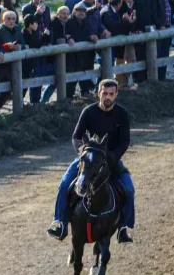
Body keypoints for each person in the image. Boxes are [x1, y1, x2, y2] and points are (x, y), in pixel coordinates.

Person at [47, 79, 135, 244]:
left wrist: (113, 157)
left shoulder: (122, 114)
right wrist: (82, 150)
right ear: (98, 93)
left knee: (129, 189)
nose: (107, 97)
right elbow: (76, 136)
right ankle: (59, 222)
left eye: (111, 94)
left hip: (110, 160)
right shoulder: (88, 111)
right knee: (64, 183)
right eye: (104, 93)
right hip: (87, 159)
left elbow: (124, 141)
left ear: (116, 94)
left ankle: (124, 228)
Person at [65, 4, 97, 99]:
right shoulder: (69, 22)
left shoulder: (87, 21)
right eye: (79, 11)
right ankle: (68, 97)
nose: (82, 13)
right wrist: (69, 38)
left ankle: (85, 92)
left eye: (83, 11)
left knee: (85, 72)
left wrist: (92, 37)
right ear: (74, 11)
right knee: (72, 76)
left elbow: (89, 33)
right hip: (72, 55)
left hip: (85, 54)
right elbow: (65, 34)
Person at [149, 0, 173, 80]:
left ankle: (162, 76)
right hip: (159, 28)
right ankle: (157, 78)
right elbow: (153, 12)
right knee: (158, 53)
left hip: (167, 26)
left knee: (165, 52)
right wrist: (159, 25)